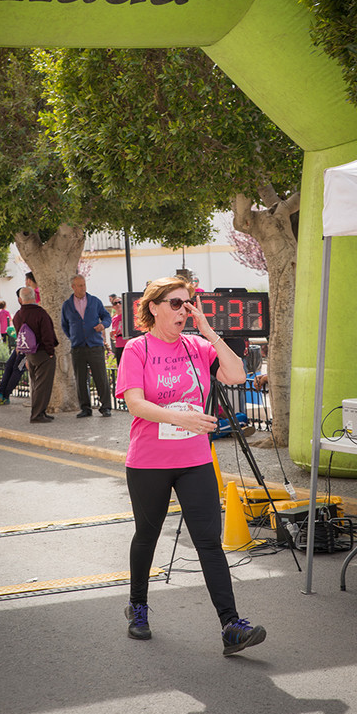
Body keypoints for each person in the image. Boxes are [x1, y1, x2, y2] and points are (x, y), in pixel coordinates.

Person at [115, 276, 266, 656]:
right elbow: (134, 404)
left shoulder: (198, 347)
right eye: (175, 303)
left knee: (208, 542)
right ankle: (137, 606)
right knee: (146, 536)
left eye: (187, 303)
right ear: (154, 307)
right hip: (149, 462)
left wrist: (211, 333)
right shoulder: (137, 349)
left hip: (195, 461)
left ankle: (231, 625)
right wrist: (180, 419)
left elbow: (237, 376)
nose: (183, 310)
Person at [61, 274, 112, 418]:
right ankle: (85, 408)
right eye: (80, 285)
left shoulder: (95, 301)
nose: (83, 288)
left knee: (100, 377)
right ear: (73, 287)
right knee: (81, 379)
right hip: (78, 348)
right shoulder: (67, 305)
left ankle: (106, 407)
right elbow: (64, 325)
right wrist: (73, 337)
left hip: (95, 346)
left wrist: (103, 325)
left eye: (84, 284)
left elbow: (107, 317)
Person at [13, 286, 58, 424]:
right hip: (43, 353)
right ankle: (37, 415)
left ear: (21, 300)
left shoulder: (17, 316)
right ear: (34, 297)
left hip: (29, 353)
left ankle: (40, 412)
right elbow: (47, 334)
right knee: (43, 385)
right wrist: (50, 352)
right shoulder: (40, 313)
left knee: (35, 384)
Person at [110, 296, 127, 365]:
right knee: (120, 368)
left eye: (120, 302)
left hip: (128, 344)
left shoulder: (127, 316)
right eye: (115, 303)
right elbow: (113, 333)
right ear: (113, 307)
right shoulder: (113, 319)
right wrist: (112, 335)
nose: (118, 304)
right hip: (119, 345)